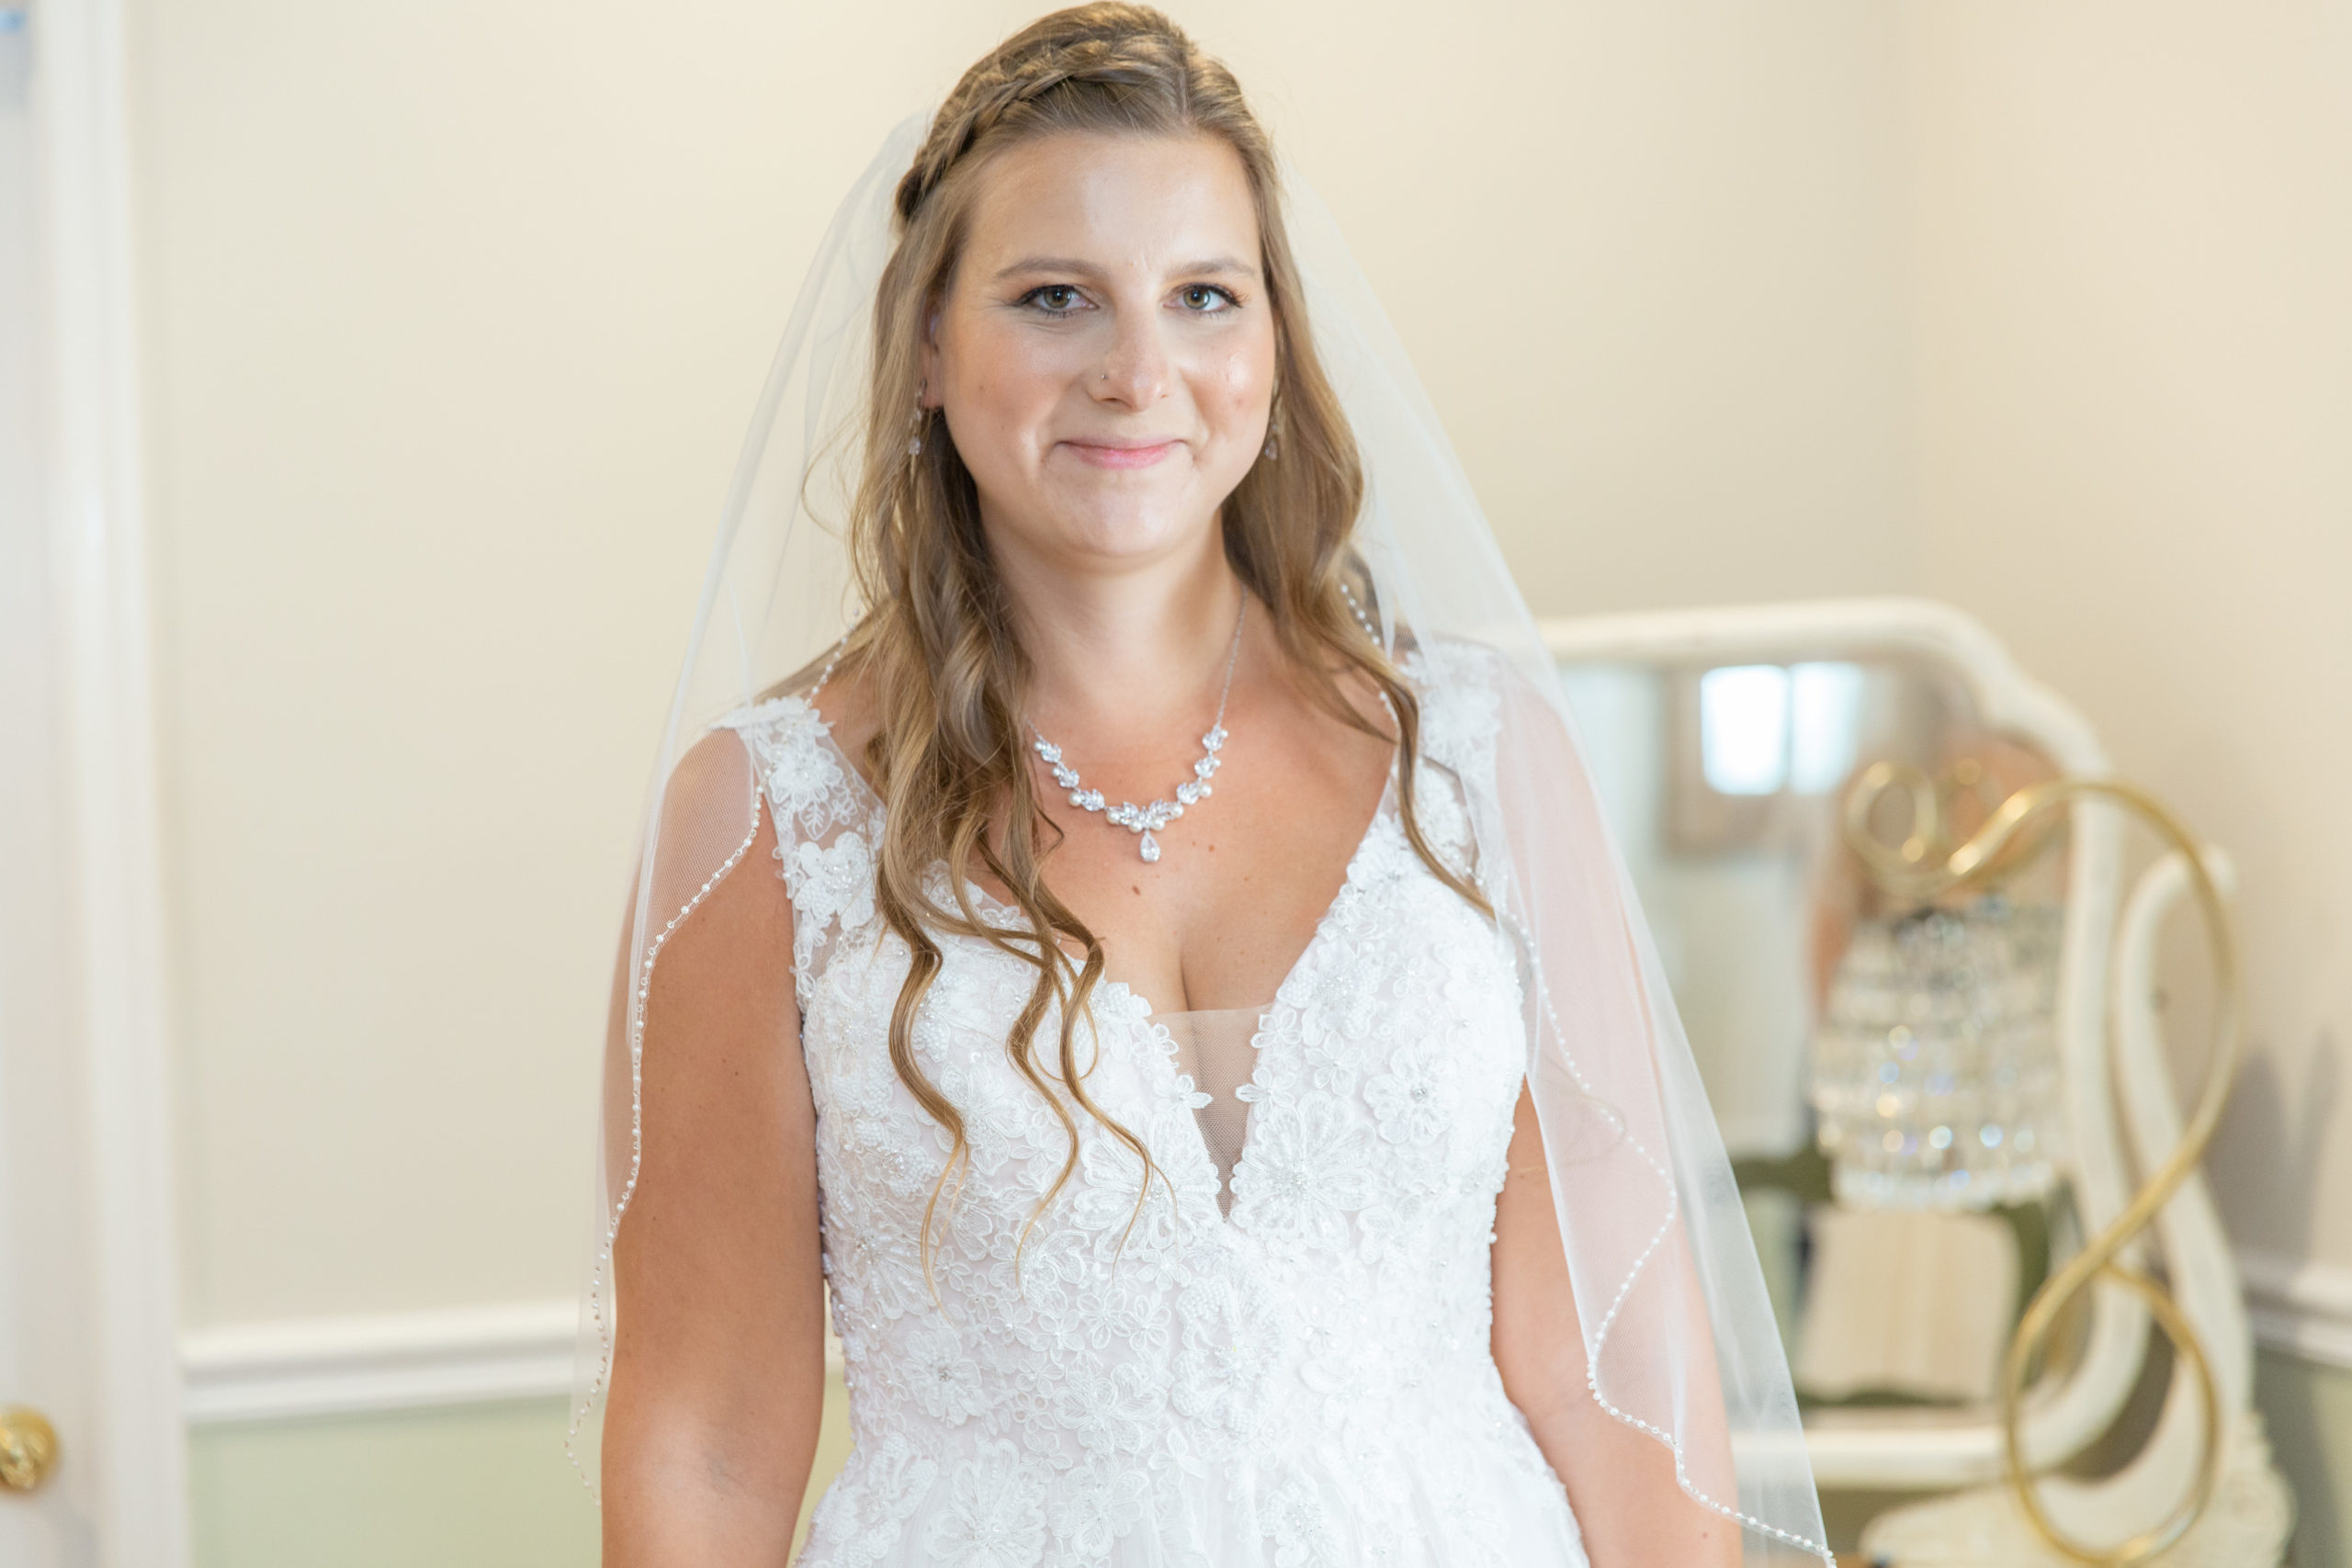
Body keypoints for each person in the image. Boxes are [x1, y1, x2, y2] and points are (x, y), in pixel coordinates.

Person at [576, 8, 1832, 1564]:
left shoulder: (1484, 757)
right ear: (929, 346)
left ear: (1273, 343)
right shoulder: (771, 819)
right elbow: (703, 1447)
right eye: (1055, 298)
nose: (1137, 372)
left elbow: (1613, 1374)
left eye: (1203, 297)